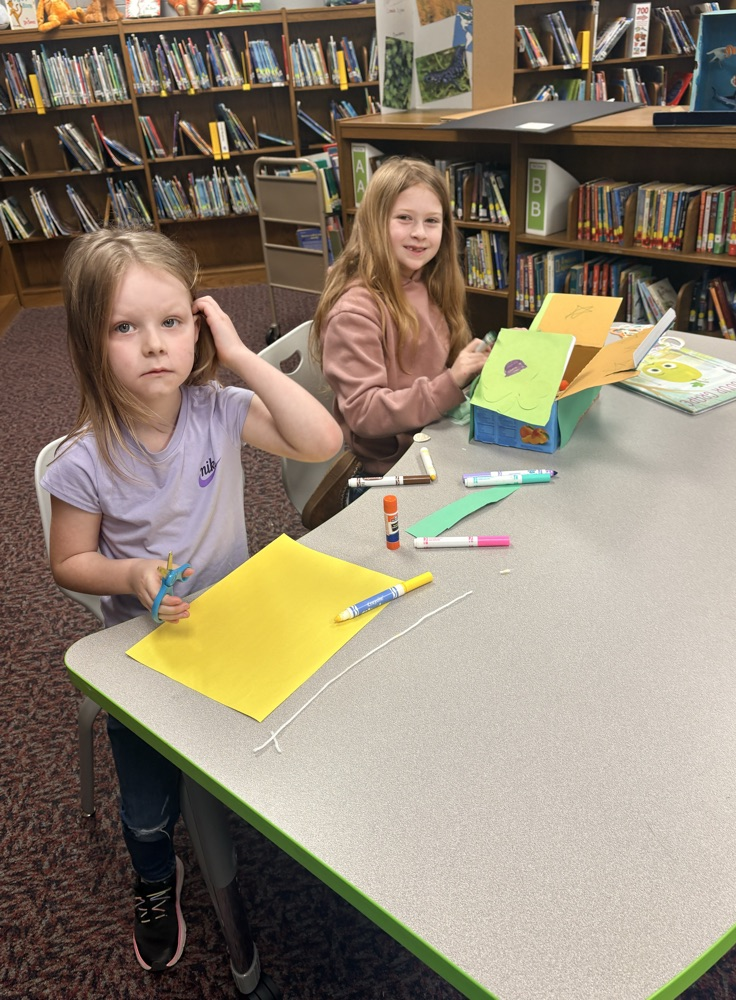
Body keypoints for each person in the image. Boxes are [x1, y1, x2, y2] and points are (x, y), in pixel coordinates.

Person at [41, 227, 342, 973]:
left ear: (199, 324)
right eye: (125, 327)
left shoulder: (216, 407)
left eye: (172, 322)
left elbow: (321, 441)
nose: (154, 346)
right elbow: (68, 562)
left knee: (303, 731)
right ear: (89, 341)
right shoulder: (83, 461)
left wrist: (240, 356)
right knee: (148, 812)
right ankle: (155, 876)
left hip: (237, 625)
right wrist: (132, 575)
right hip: (147, 650)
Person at [306, 156, 491, 525]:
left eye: (431, 221)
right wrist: (451, 382)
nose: (420, 233)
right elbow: (366, 414)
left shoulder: (427, 281)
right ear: (375, 223)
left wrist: (488, 357)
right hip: (388, 475)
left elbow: (447, 362)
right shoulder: (355, 311)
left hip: (434, 447)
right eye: (404, 218)